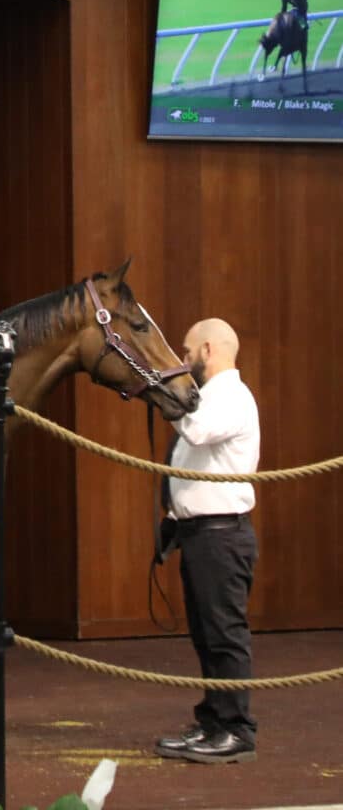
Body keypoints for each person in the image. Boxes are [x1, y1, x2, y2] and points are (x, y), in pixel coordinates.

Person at [155, 318, 260, 765]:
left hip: (221, 536)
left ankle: (236, 729)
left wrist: (161, 394)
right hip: (201, 535)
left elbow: (195, 432)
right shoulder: (211, 398)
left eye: (186, 351)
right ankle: (213, 721)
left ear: (209, 350)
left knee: (224, 636)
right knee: (206, 636)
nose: (183, 360)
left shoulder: (231, 396)